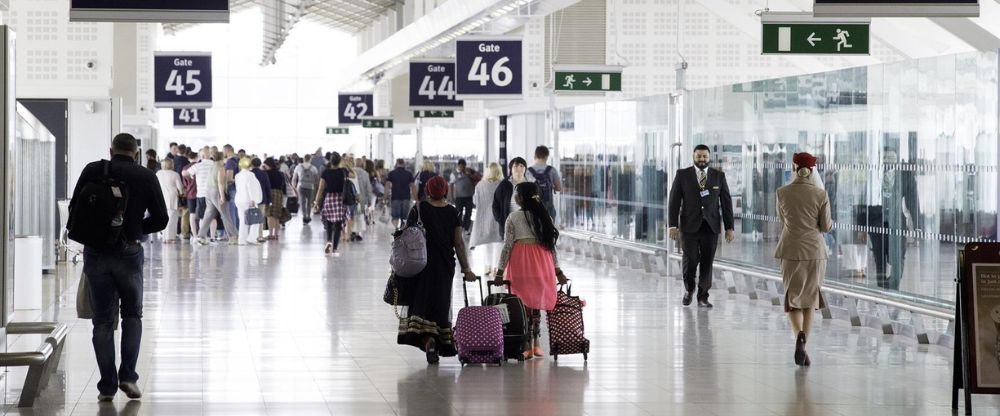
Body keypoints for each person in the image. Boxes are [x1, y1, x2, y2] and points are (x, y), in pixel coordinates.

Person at [69, 133, 168, 401]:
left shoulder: (93, 170)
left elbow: (74, 208)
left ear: (110, 150)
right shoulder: (146, 176)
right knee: (132, 316)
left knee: (102, 320)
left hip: (96, 253)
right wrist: (133, 229)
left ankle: (106, 387)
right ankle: (128, 377)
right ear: (136, 153)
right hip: (129, 252)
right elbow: (162, 219)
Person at [397, 176, 477, 364]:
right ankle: (434, 340)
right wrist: (466, 268)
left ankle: (427, 340)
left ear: (427, 190)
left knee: (421, 303)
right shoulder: (453, 212)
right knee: (441, 303)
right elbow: (458, 242)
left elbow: (406, 237)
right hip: (444, 266)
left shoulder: (418, 209)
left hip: (420, 265)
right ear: (445, 190)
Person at [494, 182, 568, 359]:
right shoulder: (544, 216)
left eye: (516, 194)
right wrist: (558, 271)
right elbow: (552, 248)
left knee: (523, 303)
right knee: (536, 302)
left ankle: (526, 341)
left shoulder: (513, 217)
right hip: (542, 262)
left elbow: (507, 246)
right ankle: (536, 341)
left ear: (520, 198)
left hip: (520, 262)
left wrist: (499, 271)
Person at [775, 152, 832, 366]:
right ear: (813, 169)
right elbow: (826, 226)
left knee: (793, 299)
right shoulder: (821, 194)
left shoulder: (782, 192)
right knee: (810, 300)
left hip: (790, 250)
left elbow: (782, 220)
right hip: (815, 253)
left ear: (794, 167)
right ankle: (804, 343)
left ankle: (797, 334)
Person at [667, 144, 735, 308]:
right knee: (690, 260)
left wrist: (729, 227)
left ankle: (703, 296)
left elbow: (726, 203)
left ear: (709, 157)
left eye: (705, 156)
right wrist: (672, 225)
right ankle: (689, 289)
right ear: (693, 156)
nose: (702, 159)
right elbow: (674, 201)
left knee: (706, 262)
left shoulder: (718, 176)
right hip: (689, 226)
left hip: (710, 227)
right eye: (699, 156)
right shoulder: (682, 175)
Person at [313, 152, 354, 256]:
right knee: (338, 225)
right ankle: (335, 249)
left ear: (330, 161)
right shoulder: (343, 171)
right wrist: (347, 165)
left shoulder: (325, 172)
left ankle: (328, 241)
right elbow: (354, 175)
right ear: (340, 161)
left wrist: (316, 203)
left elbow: (320, 189)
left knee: (329, 223)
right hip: (340, 199)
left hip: (329, 199)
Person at [195, 151, 238, 245]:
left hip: (208, 191)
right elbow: (220, 183)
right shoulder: (220, 168)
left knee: (208, 214)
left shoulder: (212, 167)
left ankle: (201, 236)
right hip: (217, 191)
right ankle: (233, 236)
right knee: (225, 214)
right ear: (222, 158)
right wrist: (222, 196)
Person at [470, 163, 504, 277]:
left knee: (487, 243)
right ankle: (496, 268)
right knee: (498, 244)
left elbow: (475, 201)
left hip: (484, 218)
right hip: (498, 219)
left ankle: (487, 267)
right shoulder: (502, 185)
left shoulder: (480, 185)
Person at [492, 157, 531, 234]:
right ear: (511, 169)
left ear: (525, 169)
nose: (519, 168)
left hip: (527, 225)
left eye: (521, 166)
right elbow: (495, 205)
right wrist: (501, 220)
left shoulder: (531, 185)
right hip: (509, 225)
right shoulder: (504, 185)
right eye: (515, 166)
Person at [527, 145, 563, 220]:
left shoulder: (528, 171)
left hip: (532, 207)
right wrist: (552, 187)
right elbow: (559, 188)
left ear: (535, 156)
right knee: (549, 230)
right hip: (548, 209)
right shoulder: (552, 170)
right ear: (547, 157)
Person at [234, 157, 264, 245]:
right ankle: (252, 238)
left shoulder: (237, 175)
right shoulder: (250, 175)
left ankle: (242, 240)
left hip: (239, 200)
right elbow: (251, 187)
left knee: (243, 220)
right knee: (256, 219)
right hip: (248, 200)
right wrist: (253, 200)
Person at [156, 158, 184, 243]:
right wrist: (182, 193)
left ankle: (164, 237)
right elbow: (180, 188)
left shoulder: (158, 173)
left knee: (164, 217)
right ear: (172, 164)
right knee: (172, 219)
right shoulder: (175, 174)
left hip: (161, 197)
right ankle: (170, 238)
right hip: (172, 198)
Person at [386, 159, 416, 229]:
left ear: (397, 163)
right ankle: (402, 229)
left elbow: (387, 186)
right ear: (404, 164)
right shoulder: (409, 174)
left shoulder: (392, 173)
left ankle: (397, 230)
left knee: (395, 217)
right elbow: (413, 186)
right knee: (405, 217)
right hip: (406, 198)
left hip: (395, 197)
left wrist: (385, 197)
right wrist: (416, 198)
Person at [293, 154, 320, 224]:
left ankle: (304, 216)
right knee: (309, 202)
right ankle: (308, 216)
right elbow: (317, 179)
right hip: (310, 186)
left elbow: (294, 178)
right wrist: (315, 185)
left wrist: (294, 187)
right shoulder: (313, 168)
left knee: (302, 201)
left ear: (304, 159)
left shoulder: (298, 166)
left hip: (301, 186)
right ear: (310, 159)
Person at [250, 158, 272, 243]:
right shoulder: (264, 174)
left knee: (251, 217)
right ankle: (260, 235)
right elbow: (267, 187)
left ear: (251, 164)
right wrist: (269, 199)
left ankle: (251, 235)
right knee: (260, 217)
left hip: (251, 199)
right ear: (260, 164)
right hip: (262, 198)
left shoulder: (250, 174)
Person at [450, 159, 476, 232]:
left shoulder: (469, 173)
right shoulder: (454, 174)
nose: (462, 168)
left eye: (464, 166)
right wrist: (452, 196)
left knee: (469, 213)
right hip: (459, 197)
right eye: (461, 166)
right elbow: (451, 185)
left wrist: (469, 174)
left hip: (469, 196)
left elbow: (475, 179)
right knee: (459, 213)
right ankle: (459, 228)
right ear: (458, 166)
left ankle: (466, 227)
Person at [263, 158, 286, 240]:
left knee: (269, 215)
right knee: (276, 215)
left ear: (268, 165)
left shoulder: (266, 173)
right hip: (279, 194)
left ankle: (270, 234)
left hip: (270, 193)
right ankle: (276, 234)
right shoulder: (280, 174)